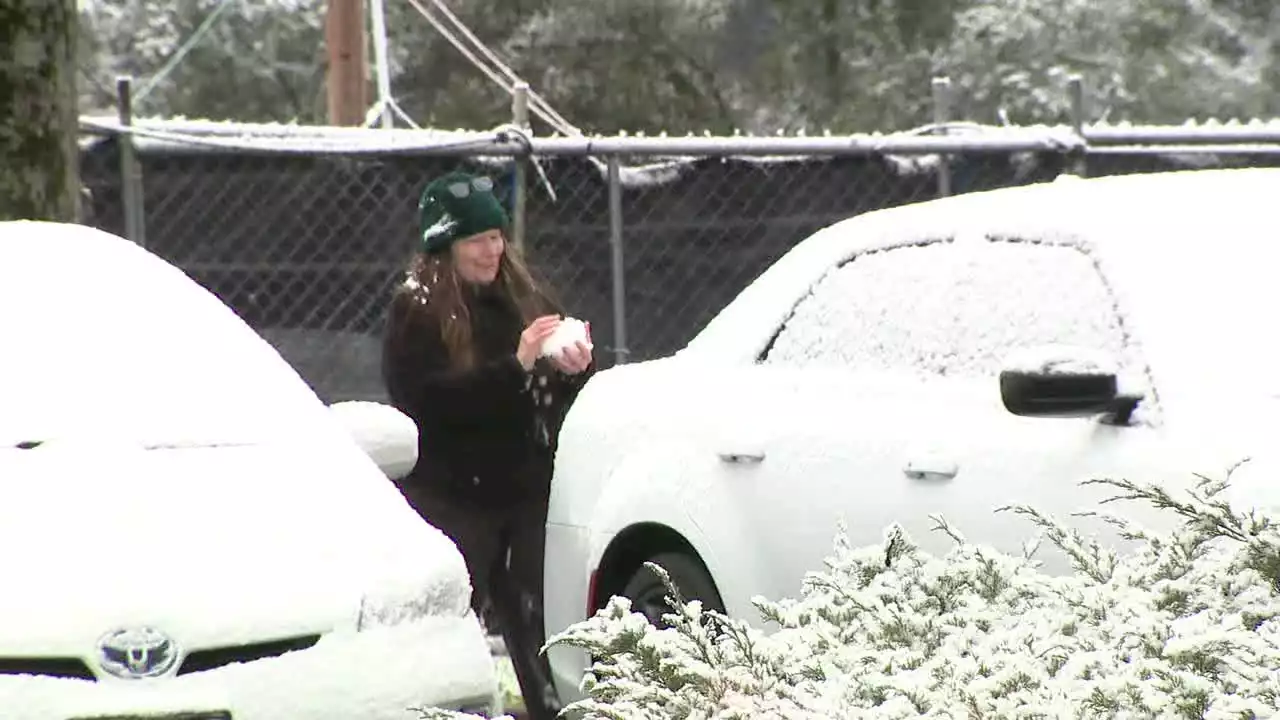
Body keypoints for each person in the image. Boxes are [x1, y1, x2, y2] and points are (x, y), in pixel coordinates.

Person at [381, 170, 594, 720]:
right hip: (452, 495)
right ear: (445, 244)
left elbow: (551, 395)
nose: (492, 249)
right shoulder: (417, 308)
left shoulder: (524, 295)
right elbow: (426, 402)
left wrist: (572, 368)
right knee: (444, 632)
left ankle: (555, 710)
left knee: (543, 627)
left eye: (497, 235)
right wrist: (515, 366)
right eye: (477, 239)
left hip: (524, 492)